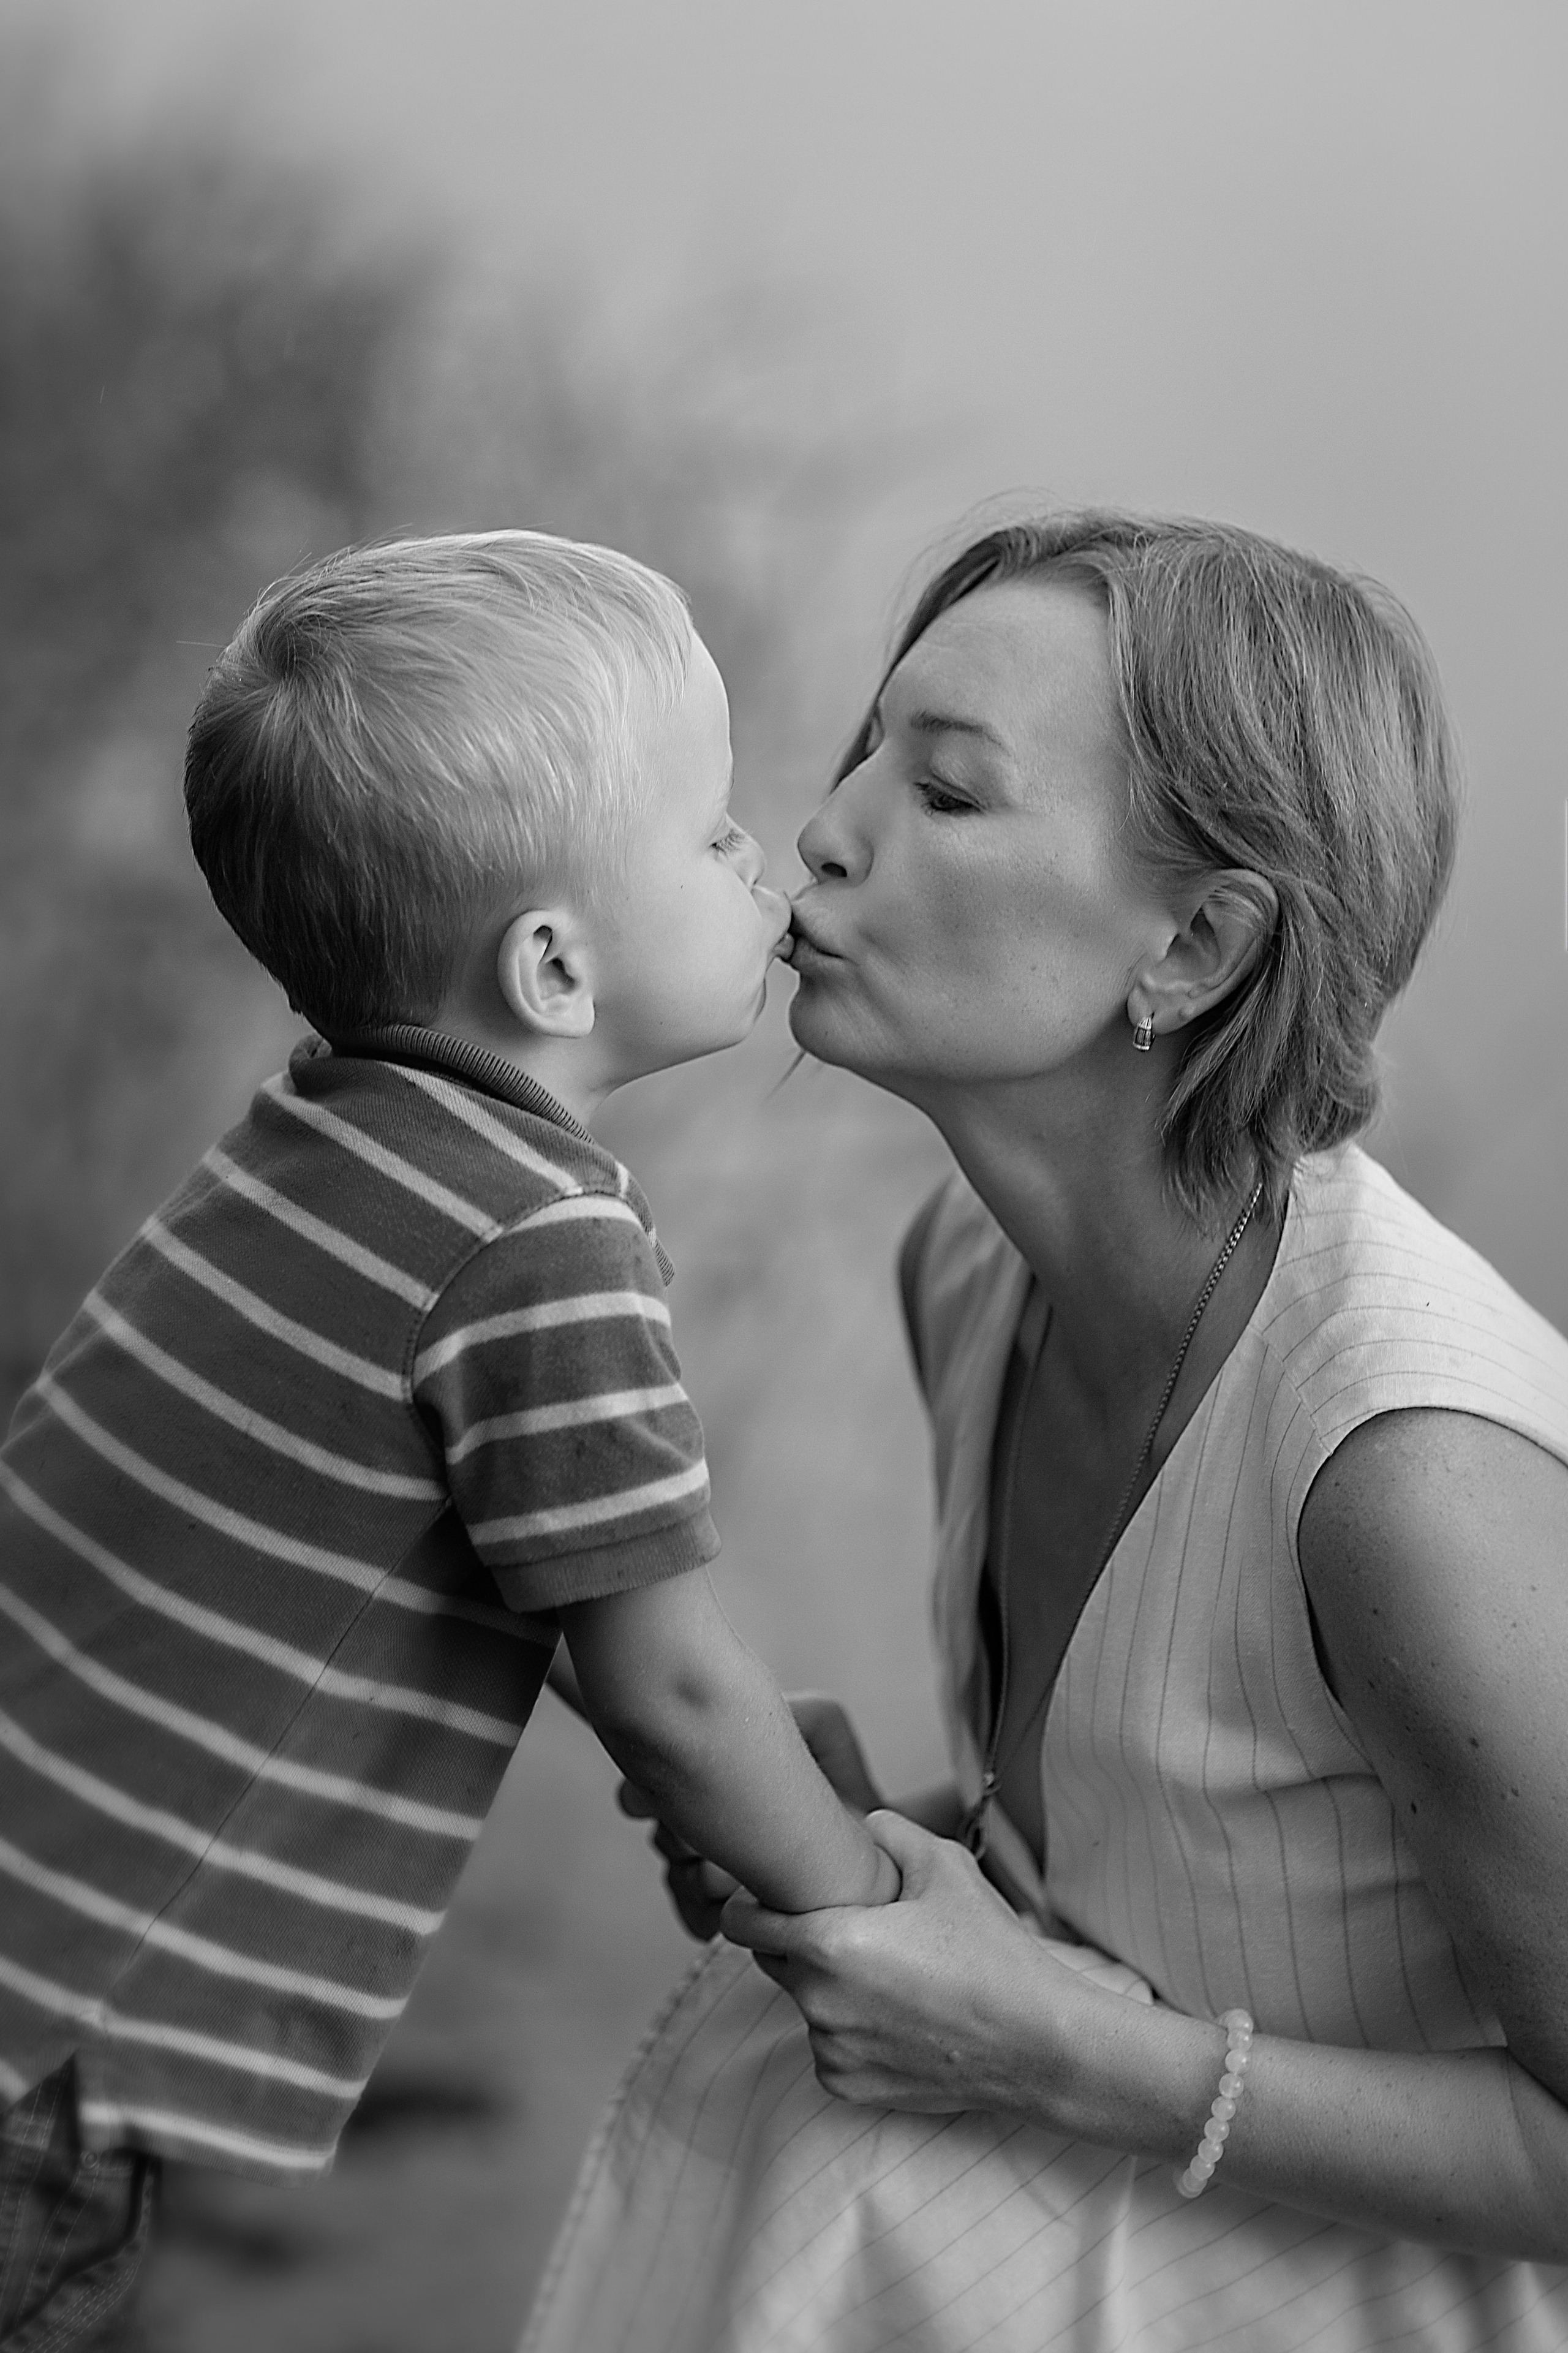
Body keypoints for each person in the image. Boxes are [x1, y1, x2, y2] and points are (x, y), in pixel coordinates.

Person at [522, 512, 1568, 2352]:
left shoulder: (1409, 1481)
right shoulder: (969, 1269)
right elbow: (1190, 1872)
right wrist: (878, 1846)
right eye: (868, 750)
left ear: (1197, 945)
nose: (823, 828)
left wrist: (1055, 2049)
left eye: (948, 792)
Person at [0, 531, 900, 2348]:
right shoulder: (542, 1245)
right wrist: (860, 1904)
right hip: (59, 2038)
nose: (765, 854)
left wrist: (731, 1780)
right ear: (557, 967)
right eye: (709, 835)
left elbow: (468, 1553)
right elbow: (669, 1686)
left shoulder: (326, 1140)